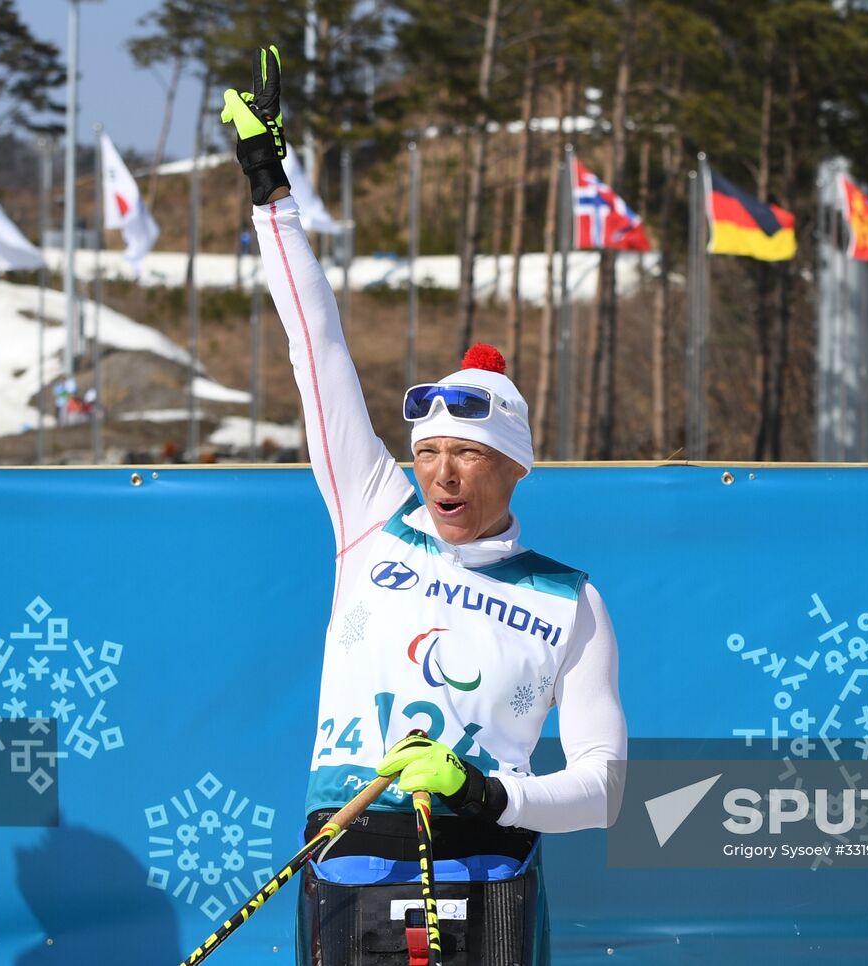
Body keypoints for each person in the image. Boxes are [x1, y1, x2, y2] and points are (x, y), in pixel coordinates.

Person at [220, 46, 627, 966]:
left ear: (515, 468)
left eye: (469, 456)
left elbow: (605, 789)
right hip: (354, 854)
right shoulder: (374, 514)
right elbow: (315, 348)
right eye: (429, 454)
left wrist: (487, 793)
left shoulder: (571, 599)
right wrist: (269, 189)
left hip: (488, 867)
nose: (443, 476)